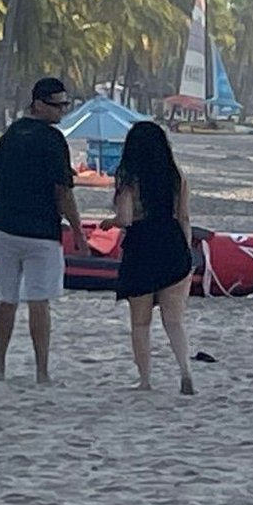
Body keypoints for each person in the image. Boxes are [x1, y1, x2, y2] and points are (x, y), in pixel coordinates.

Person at [0, 76, 80, 382]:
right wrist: (78, 231)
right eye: (58, 106)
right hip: (40, 231)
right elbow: (63, 191)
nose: (63, 112)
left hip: (4, 227)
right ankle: (42, 371)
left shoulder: (12, 133)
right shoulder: (53, 141)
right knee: (39, 301)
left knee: (8, 298)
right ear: (39, 105)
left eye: (66, 104)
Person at [105, 120, 196, 394]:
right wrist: (186, 251)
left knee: (140, 322)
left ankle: (145, 380)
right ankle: (185, 372)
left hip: (142, 247)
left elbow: (126, 218)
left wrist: (110, 223)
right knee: (174, 320)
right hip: (172, 243)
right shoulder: (176, 176)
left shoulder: (129, 178)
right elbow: (184, 217)